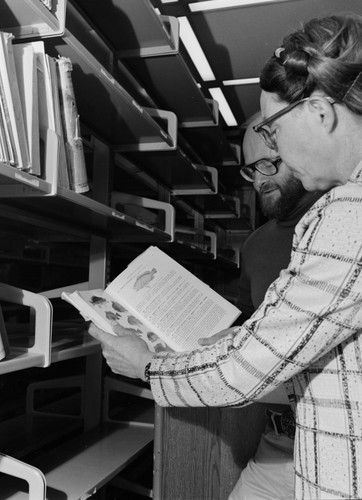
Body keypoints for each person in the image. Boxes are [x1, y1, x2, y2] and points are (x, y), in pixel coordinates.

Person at [88, 12, 362, 499]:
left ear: (321, 114)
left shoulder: (348, 212)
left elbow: (245, 371)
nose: (271, 153)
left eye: (274, 131)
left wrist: (146, 366)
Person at [229, 114, 324, 500]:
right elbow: (243, 323)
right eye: (251, 169)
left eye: (270, 163)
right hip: (278, 445)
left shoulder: (335, 224)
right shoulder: (254, 244)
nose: (259, 179)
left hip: (334, 443)